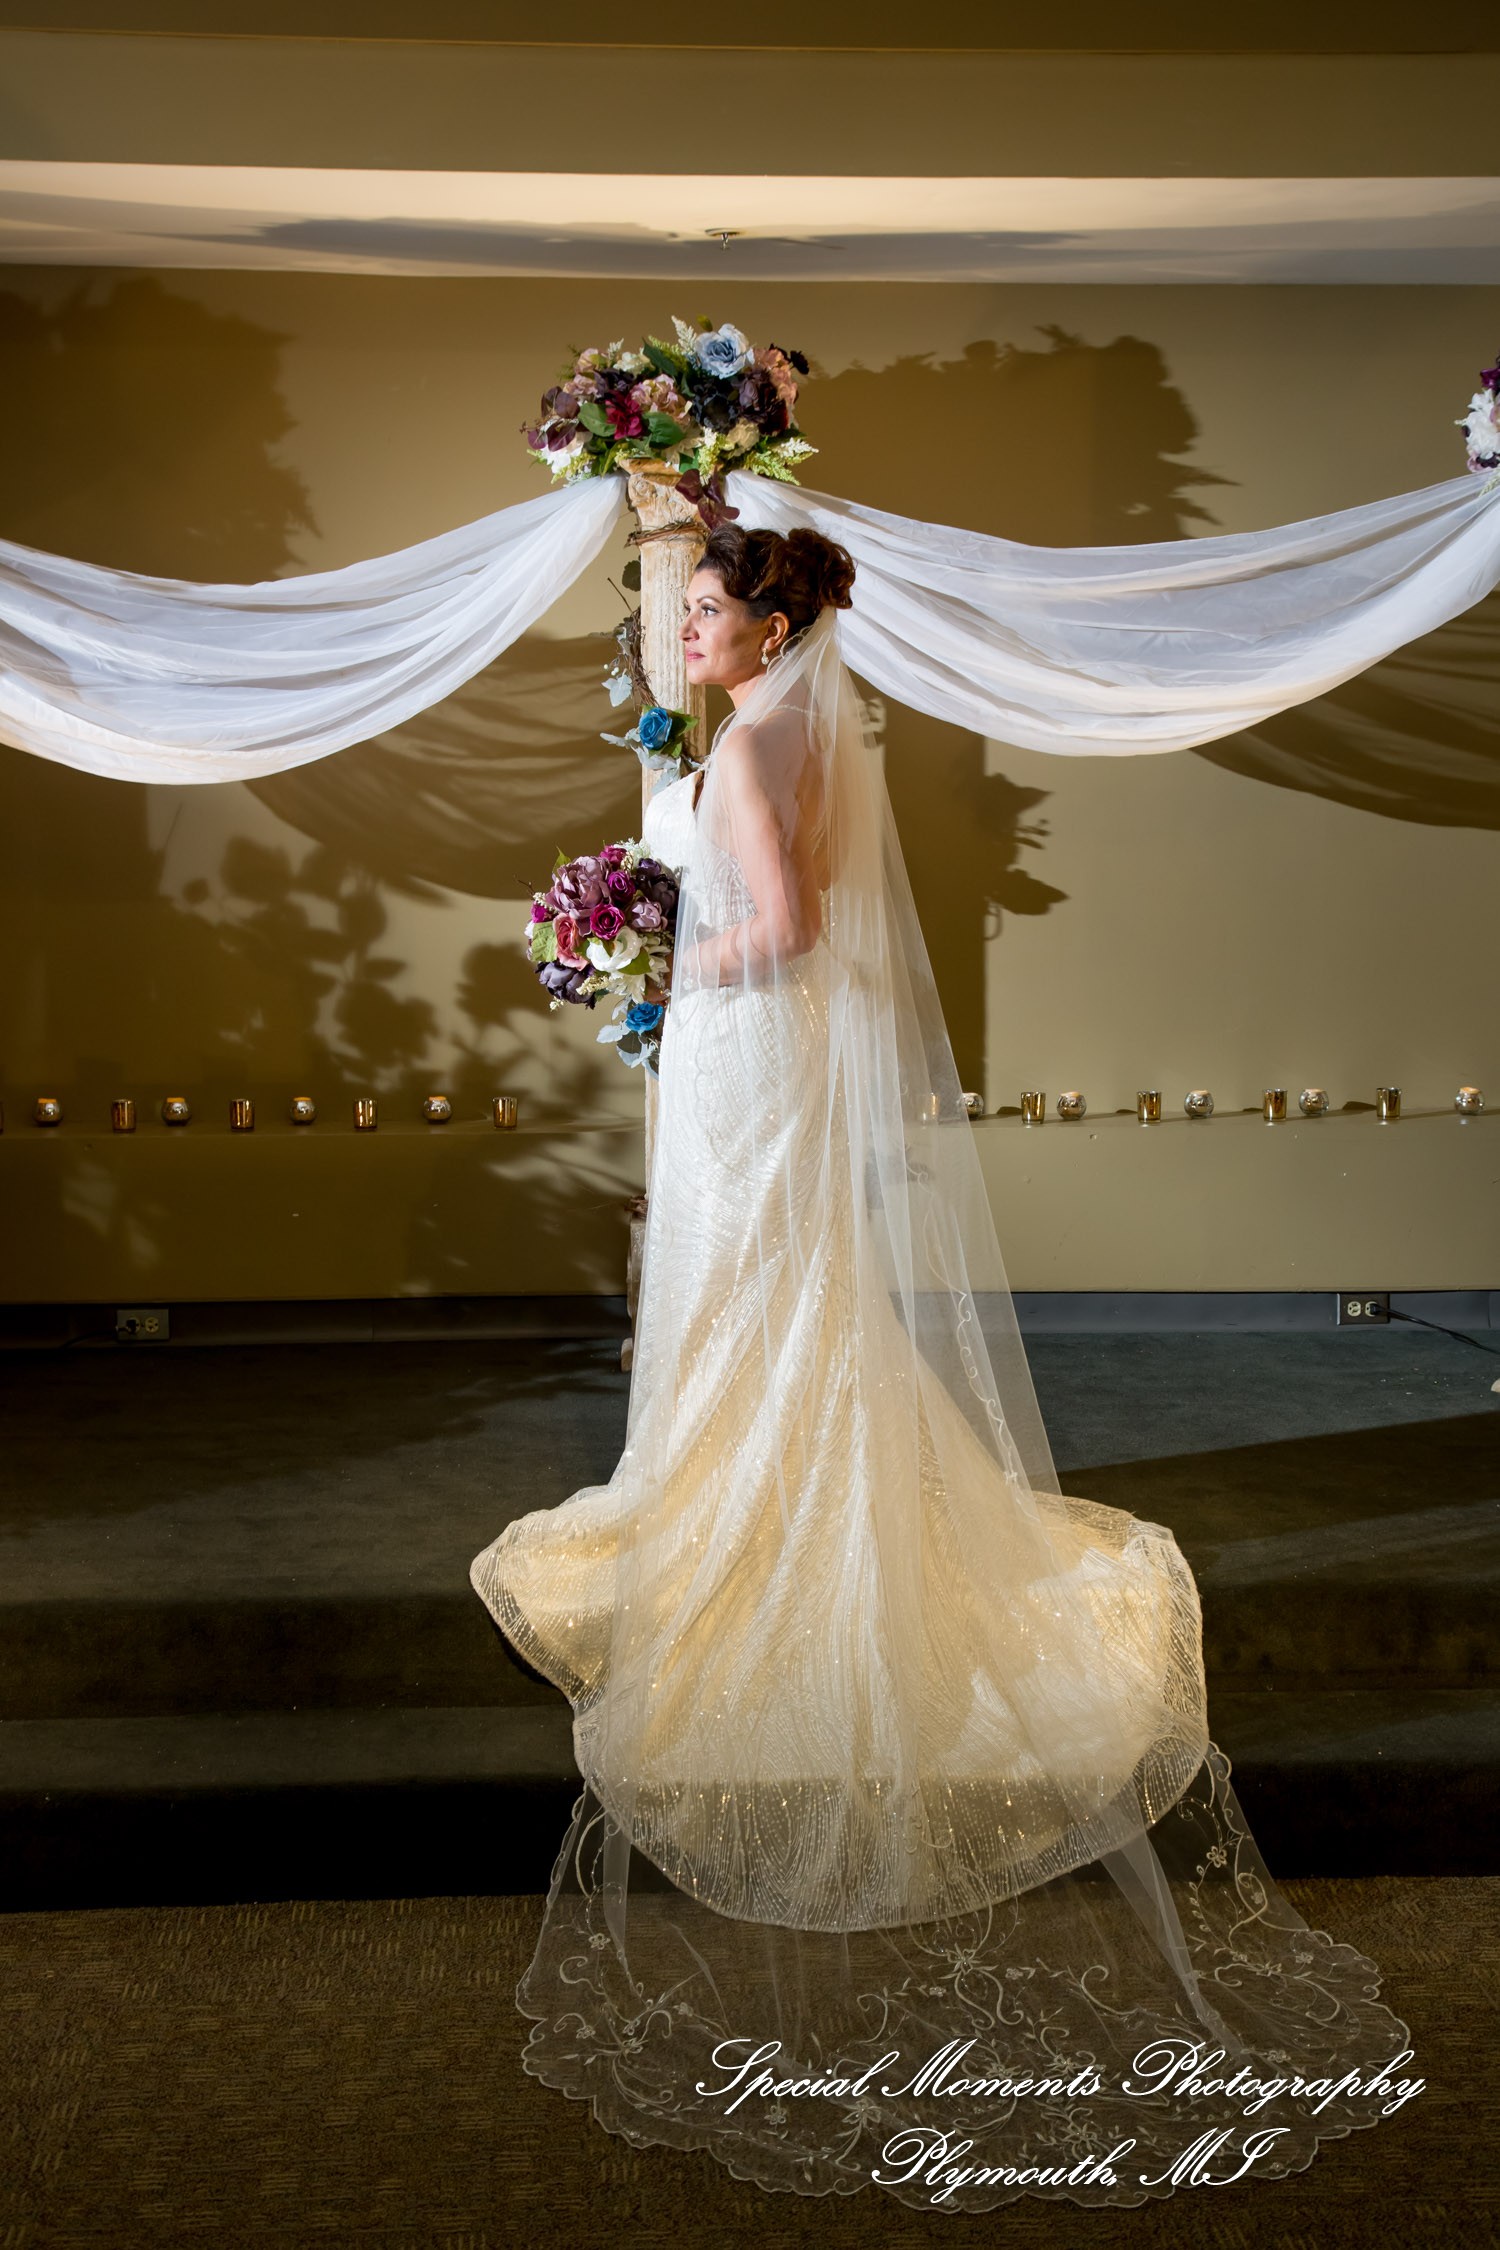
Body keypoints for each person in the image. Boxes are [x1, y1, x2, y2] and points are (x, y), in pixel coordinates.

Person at [470, 525, 1412, 2212]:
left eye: (704, 609)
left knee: (753, 1300)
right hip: (768, 1057)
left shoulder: (755, 744)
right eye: (680, 606)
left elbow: (784, 925)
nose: (684, 629)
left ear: (768, 630)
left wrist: (652, 953)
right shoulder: (792, 728)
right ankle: (765, 1492)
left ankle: (761, 1537)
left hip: (751, 1048)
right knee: (777, 1308)